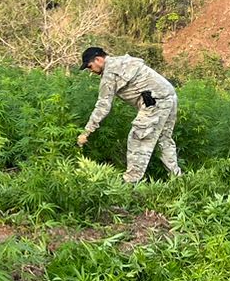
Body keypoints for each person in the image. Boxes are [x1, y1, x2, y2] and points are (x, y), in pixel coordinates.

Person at [77, 46, 182, 184]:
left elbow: (103, 106)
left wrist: (87, 131)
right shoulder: (122, 61)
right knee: (164, 140)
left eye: (90, 66)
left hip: (155, 101)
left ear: (98, 59)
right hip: (169, 96)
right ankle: (178, 180)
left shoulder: (109, 73)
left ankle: (130, 183)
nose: (90, 71)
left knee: (138, 140)